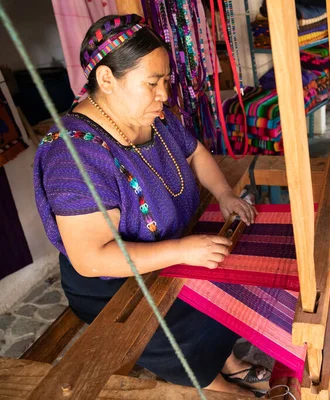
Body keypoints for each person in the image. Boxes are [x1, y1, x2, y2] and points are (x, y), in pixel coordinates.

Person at [33, 13, 268, 396]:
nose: (163, 93)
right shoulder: (71, 156)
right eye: (152, 83)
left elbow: (195, 153)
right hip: (110, 283)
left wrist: (224, 193)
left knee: (225, 282)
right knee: (190, 320)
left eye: (165, 81)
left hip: (168, 247)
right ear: (107, 79)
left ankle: (228, 361)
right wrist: (182, 250)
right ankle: (214, 383)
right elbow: (90, 259)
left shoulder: (154, 117)